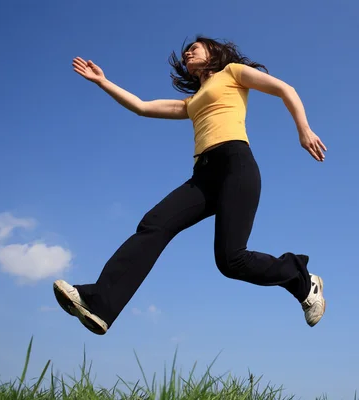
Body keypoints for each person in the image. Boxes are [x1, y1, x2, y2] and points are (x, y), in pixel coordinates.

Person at [53, 36, 327, 335]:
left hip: (235, 164)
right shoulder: (192, 102)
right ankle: (100, 301)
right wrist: (103, 82)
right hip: (204, 176)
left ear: (214, 52)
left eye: (194, 48)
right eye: (186, 51)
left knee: (231, 260)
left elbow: (284, 89)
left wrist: (304, 129)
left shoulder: (233, 72)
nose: (187, 52)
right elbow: (142, 107)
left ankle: (302, 279)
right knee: (155, 223)